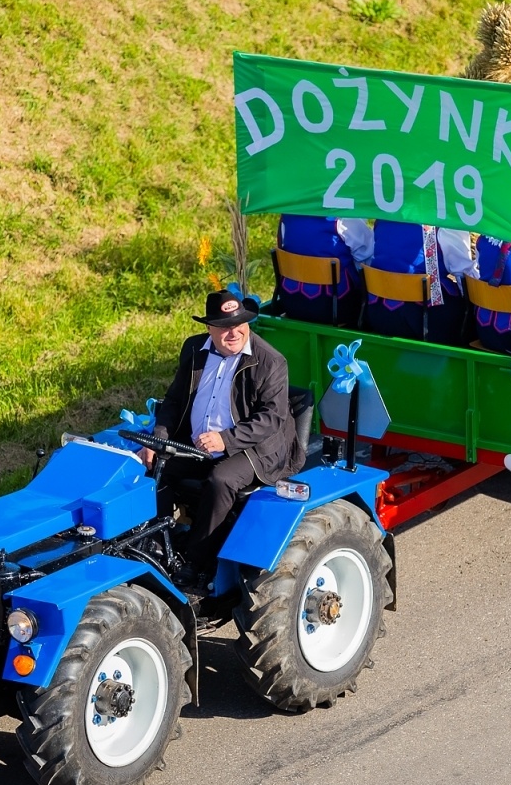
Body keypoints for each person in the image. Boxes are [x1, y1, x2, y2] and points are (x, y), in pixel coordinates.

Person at [146, 290, 297, 577]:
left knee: (221, 480)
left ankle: (197, 561)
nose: (234, 332)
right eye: (225, 326)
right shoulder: (193, 349)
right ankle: (156, 546)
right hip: (197, 443)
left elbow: (271, 418)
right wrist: (159, 440)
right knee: (156, 468)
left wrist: (225, 439)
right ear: (209, 328)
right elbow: (174, 401)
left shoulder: (271, 362)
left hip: (253, 448)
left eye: (239, 323)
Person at [364, 220, 472, 343]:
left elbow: (367, 257)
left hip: (377, 313)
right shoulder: (445, 219)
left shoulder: (383, 215)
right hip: (425, 321)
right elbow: (463, 273)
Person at [275, 214, 373, 326]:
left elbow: (282, 246)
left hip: (290, 303)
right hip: (337, 308)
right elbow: (367, 257)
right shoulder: (345, 218)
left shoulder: (287, 215)